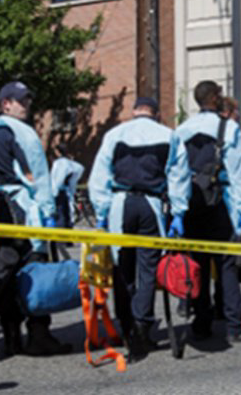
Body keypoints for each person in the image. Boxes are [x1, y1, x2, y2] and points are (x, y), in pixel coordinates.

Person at [88, 96, 190, 361]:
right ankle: (143, 325)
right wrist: (179, 212)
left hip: (120, 204)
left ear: (134, 111)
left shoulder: (115, 134)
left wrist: (101, 212)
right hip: (151, 205)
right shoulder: (169, 135)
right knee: (148, 269)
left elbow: (99, 175)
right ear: (155, 114)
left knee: (123, 270)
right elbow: (179, 177)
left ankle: (127, 328)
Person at [0, 81, 69, 357]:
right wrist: (48, 211)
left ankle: (11, 337)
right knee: (34, 270)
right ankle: (39, 335)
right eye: (21, 101)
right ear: (6, 103)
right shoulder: (23, 133)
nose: (27, 105)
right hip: (22, 209)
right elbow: (38, 176)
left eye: (28, 100)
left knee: (6, 271)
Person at [175, 81, 241, 342]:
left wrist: (176, 211)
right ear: (216, 98)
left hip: (192, 204)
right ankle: (233, 326)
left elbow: (175, 172)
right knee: (226, 266)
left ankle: (201, 322)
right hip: (220, 202)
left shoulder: (182, 130)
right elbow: (238, 172)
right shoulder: (228, 128)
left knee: (198, 265)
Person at [50, 143, 84, 230]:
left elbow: (58, 179)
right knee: (68, 214)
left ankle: (60, 240)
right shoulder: (72, 164)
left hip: (59, 192)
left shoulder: (59, 163)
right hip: (67, 191)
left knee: (60, 215)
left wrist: (54, 192)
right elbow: (80, 169)